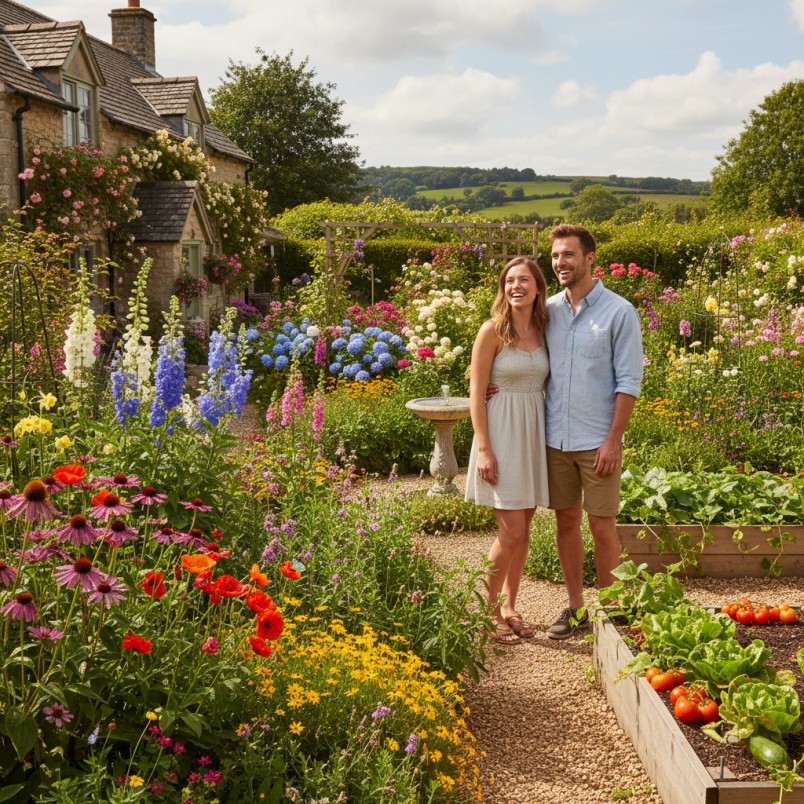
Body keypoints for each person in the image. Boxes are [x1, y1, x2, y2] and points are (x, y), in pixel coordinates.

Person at [465, 256, 550, 645]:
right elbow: (476, 391)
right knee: (510, 529)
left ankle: (511, 605)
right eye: (510, 281)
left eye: (524, 280)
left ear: (537, 287)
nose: (517, 286)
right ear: (504, 288)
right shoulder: (491, 331)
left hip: (533, 432)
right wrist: (484, 448)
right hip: (500, 433)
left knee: (525, 526)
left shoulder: (546, 329)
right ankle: (487, 612)